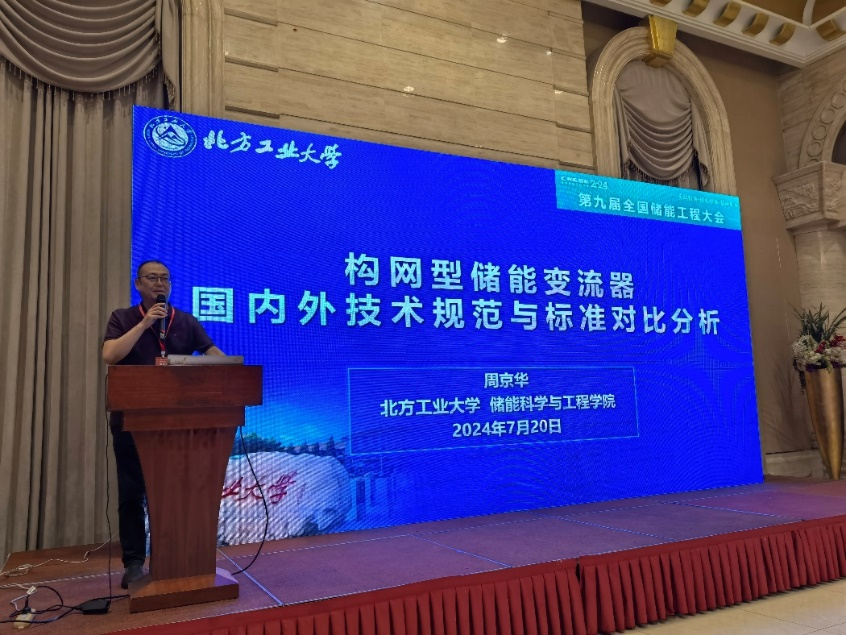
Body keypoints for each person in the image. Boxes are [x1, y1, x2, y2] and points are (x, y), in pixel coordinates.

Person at [102, 260, 224, 588]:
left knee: (175, 493)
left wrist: (228, 366)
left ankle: (173, 557)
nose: (160, 283)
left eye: (165, 279)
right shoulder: (123, 318)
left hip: (178, 423)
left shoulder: (185, 320)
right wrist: (144, 324)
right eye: (153, 278)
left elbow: (211, 351)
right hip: (132, 421)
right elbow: (110, 355)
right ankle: (133, 562)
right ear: (138, 284)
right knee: (132, 493)